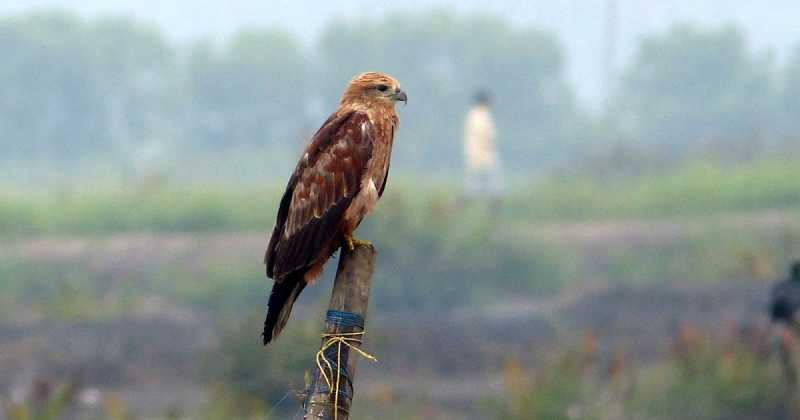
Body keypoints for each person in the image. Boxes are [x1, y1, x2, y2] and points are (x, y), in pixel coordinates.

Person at [462, 90, 503, 211]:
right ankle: (492, 218)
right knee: (493, 189)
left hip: (477, 157)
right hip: (483, 157)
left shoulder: (474, 115)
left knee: (475, 189)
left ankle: (487, 215)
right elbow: (485, 137)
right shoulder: (480, 116)